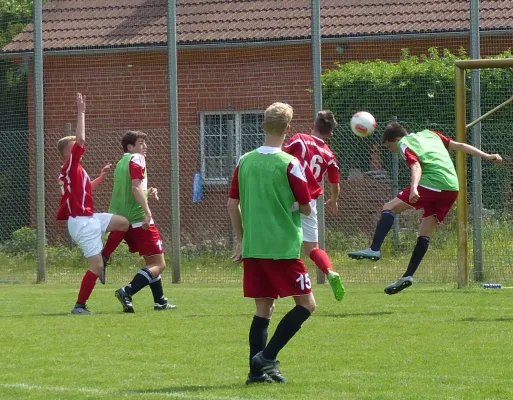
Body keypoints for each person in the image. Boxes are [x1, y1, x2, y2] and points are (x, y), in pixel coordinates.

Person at [348, 122, 502, 294]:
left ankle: (374, 249)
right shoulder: (431, 133)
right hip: (452, 188)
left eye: (389, 145)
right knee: (424, 232)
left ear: (396, 139)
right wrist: (487, 155)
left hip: (432, 183)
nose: (390, 149)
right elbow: (459, 145)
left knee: (389, 207)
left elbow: (416, 166)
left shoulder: (403, 143)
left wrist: (414, 187)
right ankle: (407, 276)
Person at [228, 102, 316, 384]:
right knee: (307, 305)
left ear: (263, 125)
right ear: (288, 130)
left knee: (263, 309)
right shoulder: (291, 164)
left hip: (254, 247)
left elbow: (232, 205)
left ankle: (255, 374)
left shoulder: (244, 161)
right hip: (283, 248)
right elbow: (306, 208)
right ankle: (267, 357)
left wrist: (240, 241)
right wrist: (290, 205)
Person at [57, 93, 129, 315]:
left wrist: (99, 177)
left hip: (89, 217)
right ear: (68, 153)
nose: (79, 146)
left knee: (123, 223)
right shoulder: (69, 165)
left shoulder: (77, 170)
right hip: (81, 222)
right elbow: (80, 140)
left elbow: (84, 190)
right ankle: (79, 306)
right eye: (74, 146)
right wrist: (81, 112)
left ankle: (105, 256)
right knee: (95, 267)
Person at [103, 130, 176, 313]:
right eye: (141, 143)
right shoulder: (137, 158)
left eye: (145, 143)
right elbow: (135, 188)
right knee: (159, 264)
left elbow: (132, 188)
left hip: (124, 220)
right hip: (138, 219)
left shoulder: (121, 162)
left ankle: (160, 300)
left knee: (150, 261)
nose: (145, 147)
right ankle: (126, 291)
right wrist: (148, 212)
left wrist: (147, 190)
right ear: (130, 147)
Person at [283, 110, 344, 301]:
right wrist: (334, 201)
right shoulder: (329, 154)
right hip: (309, 200)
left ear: (313, 125)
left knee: (285, 242)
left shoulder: (300, 139)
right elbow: (335, 183)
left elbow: (280, 156)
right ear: (330, 133)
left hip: (288, 195)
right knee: (313, 248)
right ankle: (330, 272)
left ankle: (290, 281)